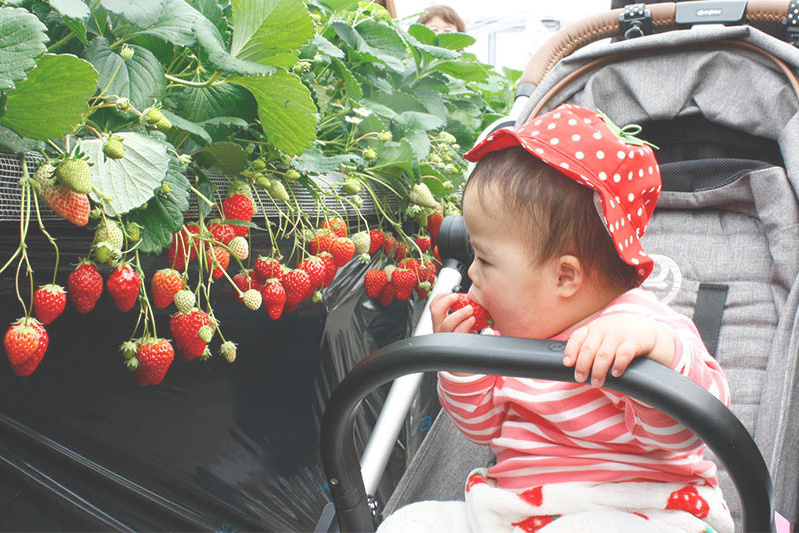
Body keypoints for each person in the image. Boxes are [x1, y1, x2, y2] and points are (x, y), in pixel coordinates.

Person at [378, 105, 733, 532]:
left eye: (486, 260)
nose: (470, 273)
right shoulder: (511, 337)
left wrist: (657, 352)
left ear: (564, 276)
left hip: (640, 512)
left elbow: (691, 429)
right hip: (518, 512)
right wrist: (461, 363)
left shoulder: (640, 327)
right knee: (411, 523)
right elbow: (481, 425)